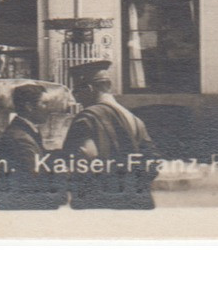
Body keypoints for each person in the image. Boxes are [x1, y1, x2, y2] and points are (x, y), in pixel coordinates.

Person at [61, 60, 160, 210]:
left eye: (76, 92)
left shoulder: (87, 118)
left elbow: (80, 161)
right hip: (134, 203)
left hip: (98, 204)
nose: (76, 99)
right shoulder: (134, 118)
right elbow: (153, 161)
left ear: (89, 88)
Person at [0, 83, 66, 210]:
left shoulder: (26, 130)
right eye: (44, 104)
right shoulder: (21, 139)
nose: (49, 109)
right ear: (29, 107)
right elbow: (35, 184)